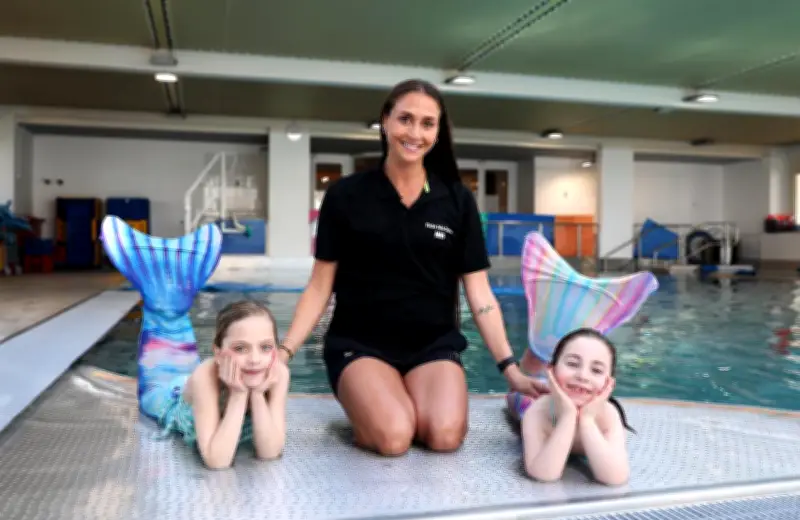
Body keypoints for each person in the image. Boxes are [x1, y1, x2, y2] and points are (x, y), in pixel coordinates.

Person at [278, 78, 547, 457]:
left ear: (437, 132)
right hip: (361, 345)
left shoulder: (456, 201)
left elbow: (480, 293)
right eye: (405, 119)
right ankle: (373, 405)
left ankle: (395, 400)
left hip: (431, 347)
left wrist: (510, 368)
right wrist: (284, 353)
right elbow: (320, 287)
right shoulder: (347, 195)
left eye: (427, 123)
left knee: (444, 436)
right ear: (385, 121)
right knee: (393, 438)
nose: (414, 133)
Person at [99, 215, 290, 470]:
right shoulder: (205, 376)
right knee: (163, 309)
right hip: (168, 396)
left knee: (170, 310)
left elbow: (269, 452)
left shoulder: (278, 373)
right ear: (218, 353)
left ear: (276, 350)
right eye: (240, 348)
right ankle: (157, 286)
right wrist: (238, 394)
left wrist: (256, 393)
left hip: (190, 380)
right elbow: (217, 461)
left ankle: (165, 290)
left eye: (265, 347)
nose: (255, 359)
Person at [507, 328, 634, 486]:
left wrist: (587, 420)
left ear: (609, 384)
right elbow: (544, 474)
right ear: (551, 371)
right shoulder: (537, 412)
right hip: (536, 402)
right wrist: (567, 416)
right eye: (573, 364)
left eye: (596, 370)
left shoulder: (608, 415)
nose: (582, 376)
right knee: (516, 399)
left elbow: (615, 478)